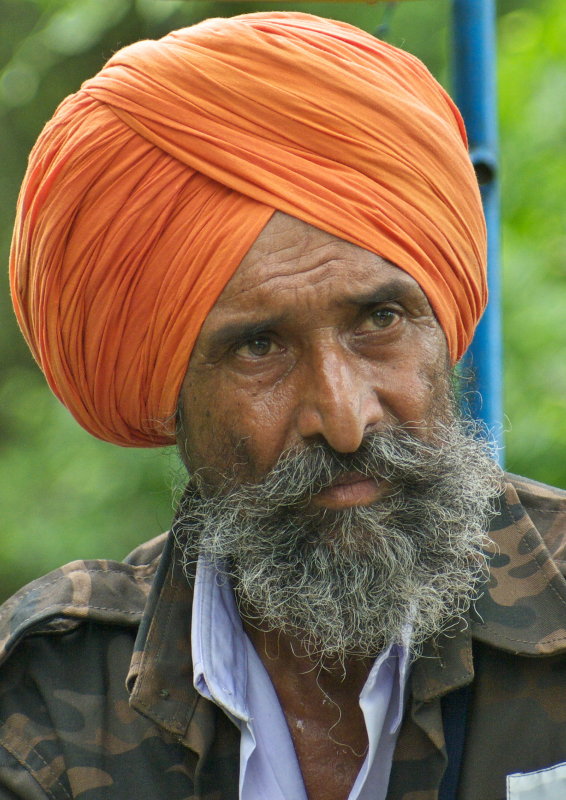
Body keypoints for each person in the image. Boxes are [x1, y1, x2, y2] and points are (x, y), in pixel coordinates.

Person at [1, 11, 565, 800]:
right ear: (168, 394)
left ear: (446, 322)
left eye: (380, 320)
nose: (343, 419)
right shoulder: (51, 694)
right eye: (259, 348)